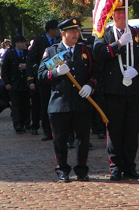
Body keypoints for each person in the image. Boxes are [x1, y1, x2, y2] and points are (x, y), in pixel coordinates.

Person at [93, 3, 139, 181]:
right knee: (115, 130)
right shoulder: (104, 34)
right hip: (114, 91)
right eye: (118, 12)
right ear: (112, 16)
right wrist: (117, 44)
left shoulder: (137, 34)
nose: (121, 16)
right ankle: (115, 167)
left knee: (132, 130)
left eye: (124, 12)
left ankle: (129, 166)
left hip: (133, 90)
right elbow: (98, 52)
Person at [38, 18, 99, 182]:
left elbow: (95, 73)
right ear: (63, 33)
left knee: (83, 139)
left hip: (82, 102)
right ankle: (62, 169)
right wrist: (56, 72)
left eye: (77, 31)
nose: (76, 34)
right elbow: (41, 75)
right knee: (60, 139)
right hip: (60, 102)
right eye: (73, 32)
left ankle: (82, 169)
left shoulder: (85, 51)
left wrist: (90, 85)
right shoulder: (54, 52)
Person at [26, 19, 61, 141]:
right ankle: (47, 131)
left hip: (58, 78)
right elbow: (31, 60)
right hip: (44, 79)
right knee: (45, 105)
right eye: (57, 29)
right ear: (51, 30)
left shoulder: (60, 41)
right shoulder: (39, 41)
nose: (58, 32)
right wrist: (31, 79)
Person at [1, 35, 30, 134]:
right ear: (16, 43)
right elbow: (4, 70)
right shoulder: (10, 54)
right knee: (16, 105)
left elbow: (33, 66)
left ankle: (26, 123)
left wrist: (27, 66)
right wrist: (7, 83)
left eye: (24, 42)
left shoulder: (27, 53)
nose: (23, 44)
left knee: (25, 105)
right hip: (14, 84)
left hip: (25, 84)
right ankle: (18, 125)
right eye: (21, 42)